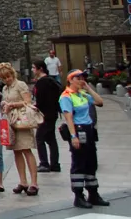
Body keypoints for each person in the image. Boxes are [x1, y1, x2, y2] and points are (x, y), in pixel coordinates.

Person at [59, 69, 108, 209]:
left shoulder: (82, 94)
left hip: (89, 129)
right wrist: (73, 136)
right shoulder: (66, 96)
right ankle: (79, 196)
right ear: (70, 80)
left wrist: (88, 88)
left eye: (82, 78)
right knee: (79, 162)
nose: (81, 80)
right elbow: (68, 118)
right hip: (78, 129)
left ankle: (93, 193)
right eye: (78, 78)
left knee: (91, 161)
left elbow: (100, 102)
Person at [0, 62, 38, 196]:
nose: (7, 80)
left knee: (26, 150)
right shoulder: (4, 88)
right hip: (11, 121)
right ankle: (23, 181)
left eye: (8, 76)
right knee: (16, 151)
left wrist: (12, 104)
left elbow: (28, 102)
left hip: (22, 120)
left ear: (12, 74)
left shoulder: (20, 84)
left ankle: (34, 182)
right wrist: (4, 104)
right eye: (4, 78)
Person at [31, 61, 61, 173]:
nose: (33, 70)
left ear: (40, 69)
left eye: (34, 68)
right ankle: (55, 164)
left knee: (39, 138)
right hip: (52, 113)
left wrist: (36, 107)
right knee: (51, 139)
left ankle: (44, 163)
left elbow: (42, 100)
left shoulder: (42, 83)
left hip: (45, 115)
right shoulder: (51, 81)